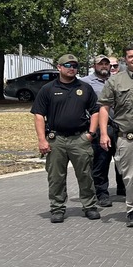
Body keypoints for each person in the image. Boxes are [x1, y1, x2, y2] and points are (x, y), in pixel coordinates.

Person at [31, 53, 101, 223]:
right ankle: (57, 207)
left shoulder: (85, 88)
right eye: (68, 65)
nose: (72, 68)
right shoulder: (48, 89)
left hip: (80, 139)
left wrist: (91, 134)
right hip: (57, 139)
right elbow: (39, 115)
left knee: (85, 174)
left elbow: (95, 111)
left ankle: (89, 206)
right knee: (56, 176)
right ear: (59, 67)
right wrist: (42, 140)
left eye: (75, 66)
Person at [98, 45, 133, 228]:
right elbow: (104, 108)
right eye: (131, 56)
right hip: (127, 136)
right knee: (130, 177)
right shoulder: (115, 81)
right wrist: (104, 133)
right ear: (125, 59)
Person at [81, 54, 121, 207]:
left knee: (122, 160)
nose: (104, 66)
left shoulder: (116, 80)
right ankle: (102, 193)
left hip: (119, 126)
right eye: (101, 64)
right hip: (100, 128)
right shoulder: (85, 83)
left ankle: (123, 188)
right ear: (94, 66)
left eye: (107, 64)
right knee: (101, 162)